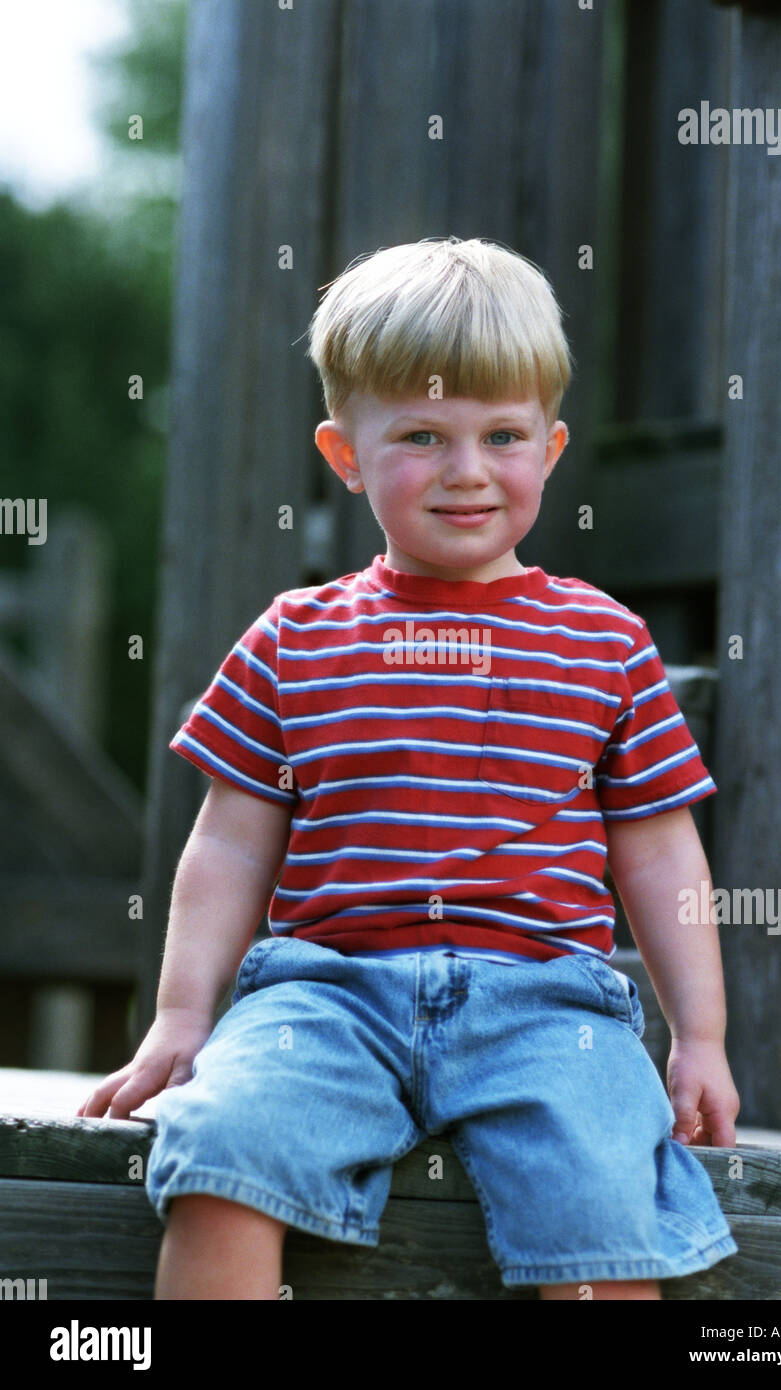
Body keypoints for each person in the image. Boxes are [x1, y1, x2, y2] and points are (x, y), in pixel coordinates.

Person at [79, 236, 740, 1300]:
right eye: (422, 435)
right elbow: (232, 840)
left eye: (503, 434)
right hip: (326, 996)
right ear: (343, 454)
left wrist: (697, 1034)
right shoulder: (296, 635)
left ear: (552, 445)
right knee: (218, 1156)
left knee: (608, 1215)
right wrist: (183, 1015)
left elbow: (659, 845)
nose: (467, 469)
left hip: (548, 1006)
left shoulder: (603, 641)